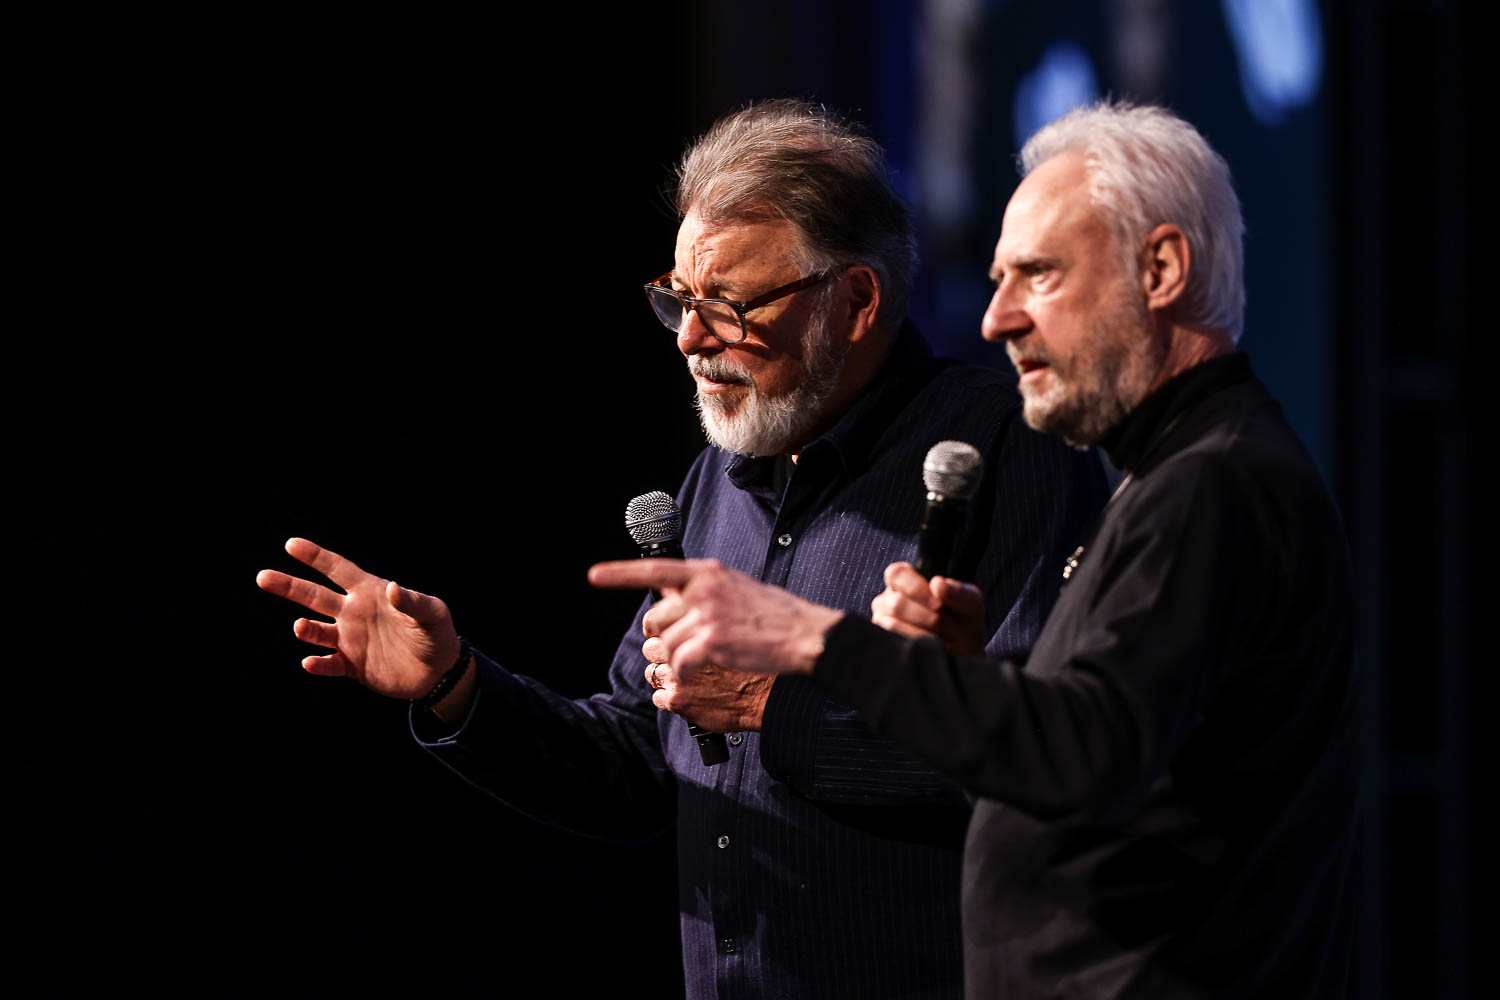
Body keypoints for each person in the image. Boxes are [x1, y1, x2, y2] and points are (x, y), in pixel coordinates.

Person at [257, 99, 1107, 998]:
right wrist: (455, 684)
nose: (694, 341)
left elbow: (1046, 762)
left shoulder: (1002, 453)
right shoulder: (719, 481)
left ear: (855, 301)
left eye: (731, 306)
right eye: (680, 300)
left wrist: (769, 708)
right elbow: (635, 765)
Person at [592, 101, 1359, 997]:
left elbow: (1084, 760)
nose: (997, 319)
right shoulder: (1182, 479)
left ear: (1160, 268)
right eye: (997, 279)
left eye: (1037, 275)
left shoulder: (1215, 484)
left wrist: (816, 645)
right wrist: (950, 678)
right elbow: (1072, 740)